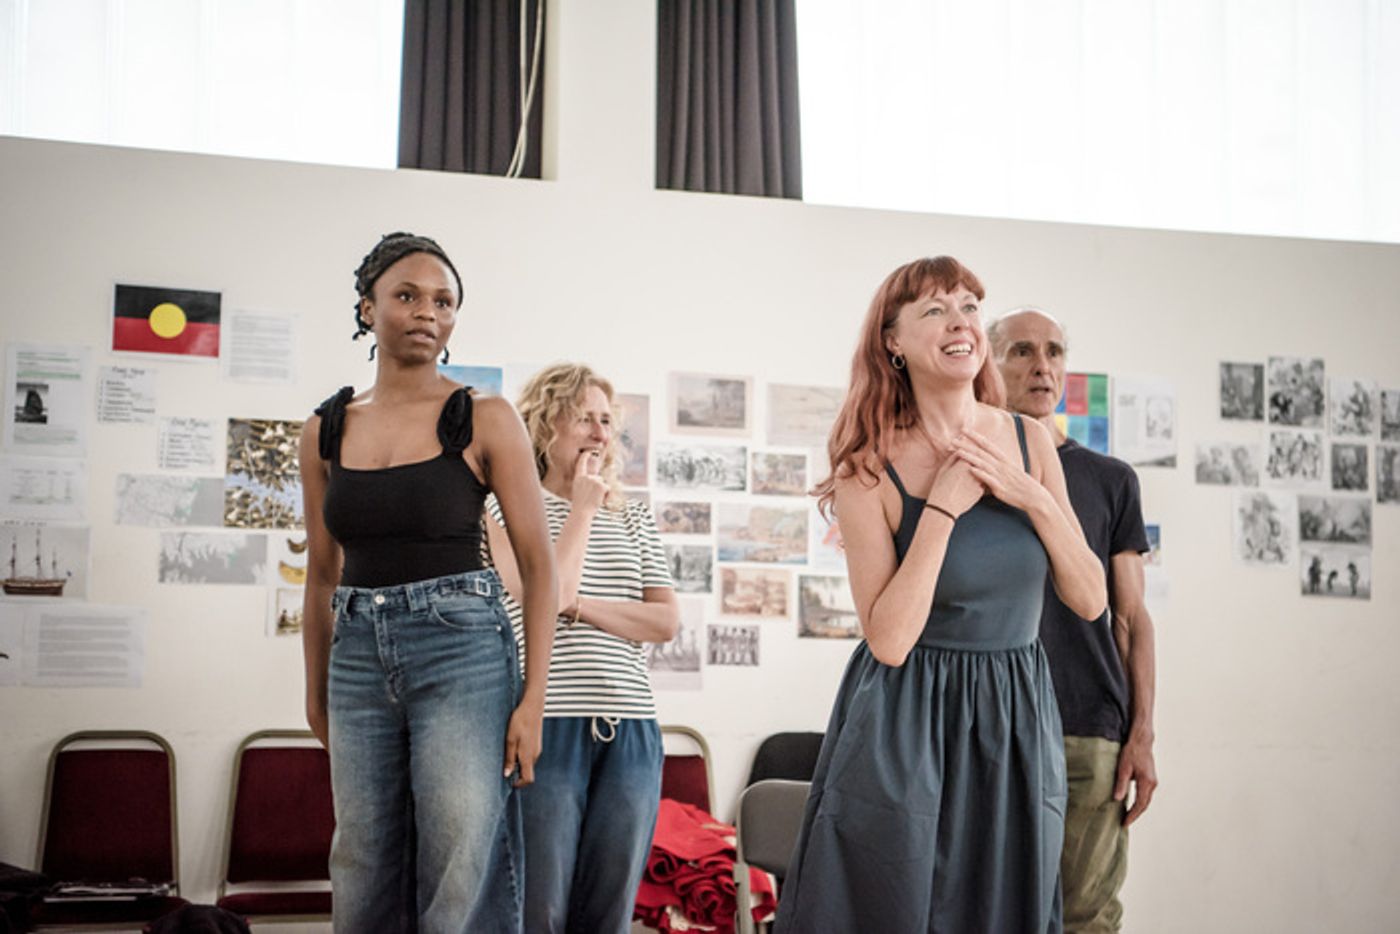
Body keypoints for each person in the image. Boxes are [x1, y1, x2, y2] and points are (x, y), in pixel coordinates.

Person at [775, 257, 1105, 934]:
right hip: (906, 721)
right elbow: (889, 639)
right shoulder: (866, 469)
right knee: (895, 908)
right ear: (892, 341)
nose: (960, 323)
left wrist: (1033, 497)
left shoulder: (1029, 440)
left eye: (969, 307)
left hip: (1014, 715)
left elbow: (1090, 598)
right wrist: (943, 511)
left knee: (1002, 907)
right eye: (934, 310)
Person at [299, 232, 557, 933]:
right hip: (355, 655)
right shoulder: (323, 430)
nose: (426, 313)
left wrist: (532, 701)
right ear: (367, 309)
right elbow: (322, 573)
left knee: (459, 848)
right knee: (361, 854)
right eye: (406, 295)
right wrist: (314, 689)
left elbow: (539, 566)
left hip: (463, 649)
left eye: (443, 301)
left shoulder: (484, 417)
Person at [483, 363, 679, 934]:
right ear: (545, 424)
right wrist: (582, 511)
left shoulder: (634, 515)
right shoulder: (503, 511)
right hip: (549, 721)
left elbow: (665, 621)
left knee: (610, 910)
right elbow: (543, 593)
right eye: (583, 418)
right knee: (540, 907)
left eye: (606, 421)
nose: (599, 432)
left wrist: (580, 608)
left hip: (633, 727)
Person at [990, 307, 1159, 934]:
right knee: (987, 909)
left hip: (1088, 730)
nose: (1043, 366)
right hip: (990, 725)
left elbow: (1133, 619)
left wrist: (1140, 733)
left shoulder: (1111, 480)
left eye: (1055, 352)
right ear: (990, 361)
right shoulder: (969, 472)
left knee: (1084, 917)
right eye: (1023, 351)